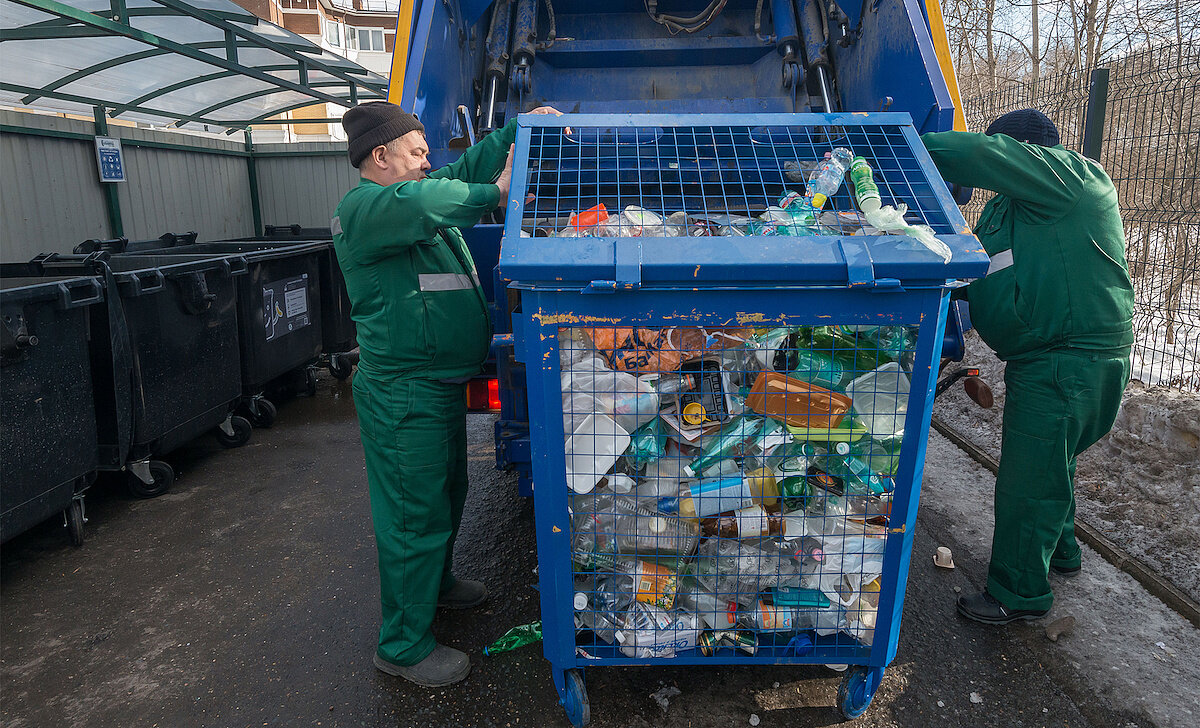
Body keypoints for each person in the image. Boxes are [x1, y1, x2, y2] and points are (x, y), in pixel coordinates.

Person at [332, 101, 563, 686]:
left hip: (433, 390)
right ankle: (403, 644)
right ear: (380, 157)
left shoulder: (407, 198)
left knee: (445, 496)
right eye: (418, 152)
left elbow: (460, 174)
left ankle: (435, 588)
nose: (429, 162)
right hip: (403, 394)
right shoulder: (366, 209)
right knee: (414, 516)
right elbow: (437, 196)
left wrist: (517, 129)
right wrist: (498, 193)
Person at [922, 109, 1134, 625]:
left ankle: (1017, 594)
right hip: (1044, 358)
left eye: (1005, 158)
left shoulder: (1070, 177)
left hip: (1070, 358)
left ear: (1022, 153)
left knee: (1028, 479)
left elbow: (983, 156)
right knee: (1050, 465)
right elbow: (982, 273)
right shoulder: (1017, 211)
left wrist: (903, 141)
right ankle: (1061, 552)